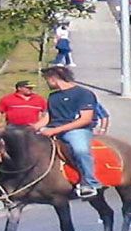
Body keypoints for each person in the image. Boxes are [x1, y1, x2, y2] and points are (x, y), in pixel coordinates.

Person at [39, 66, 102, 198]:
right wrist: (28, 129)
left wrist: (55, 130)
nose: (47, 83)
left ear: (53, 79)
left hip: (76, 130)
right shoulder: (53, 97)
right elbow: (47, 118)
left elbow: (85, 119)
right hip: (52, 129)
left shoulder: (83, 94)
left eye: (47, 80)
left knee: (80, 150)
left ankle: (90, 182)